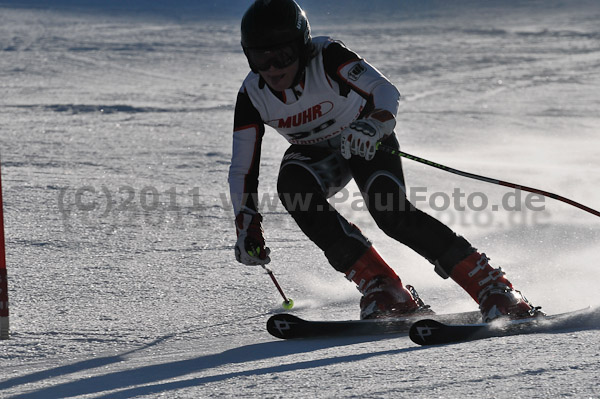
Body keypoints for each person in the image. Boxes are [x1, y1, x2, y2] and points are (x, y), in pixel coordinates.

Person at [229, 0, 542, 321]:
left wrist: (374, 122)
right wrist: (247, 226)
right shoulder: (252, 94)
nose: (271, 69)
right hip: (318, 156)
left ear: (303, 47)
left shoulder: (328, 56)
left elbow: (384, 89)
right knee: (292, 185)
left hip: (365, 139)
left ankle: (493, 286)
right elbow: (243, 167)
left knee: (390, 213)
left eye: (281, 55)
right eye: (259, 57)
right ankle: (384, 287)